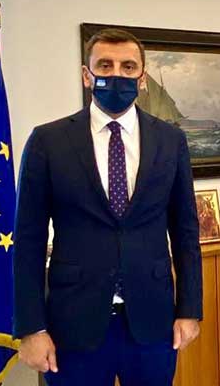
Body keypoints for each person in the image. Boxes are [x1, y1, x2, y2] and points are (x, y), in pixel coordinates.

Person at [12, 28, 203, 386]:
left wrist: (190, 309)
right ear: (87, 76)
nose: (117, 75)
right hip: (73, 322)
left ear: (142, 78)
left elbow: (185, 231)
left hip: (153, 320)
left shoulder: (171, 140)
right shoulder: (48, 141)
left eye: (128, 67)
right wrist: (31, 328)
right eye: (105, 65)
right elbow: (28, 241)